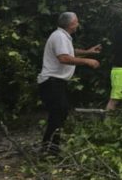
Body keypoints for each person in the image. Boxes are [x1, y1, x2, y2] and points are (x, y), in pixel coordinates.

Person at [38, 12, 101, 153]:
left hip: (55, 82)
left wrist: (88, 52)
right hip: (51, 82)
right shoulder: (59, 36)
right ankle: (50, 149)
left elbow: (70, 52)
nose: (78, 24)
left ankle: (51, 147)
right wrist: (87, 61)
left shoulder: (63, 36)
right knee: (58, 113)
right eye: (76, 21)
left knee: (60, 112)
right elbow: (64, 58)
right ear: (70, 24)